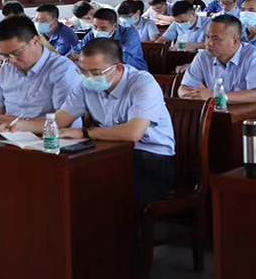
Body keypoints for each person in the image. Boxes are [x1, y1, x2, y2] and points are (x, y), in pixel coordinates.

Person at [50, 38, 175, 212]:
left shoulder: (143, 83)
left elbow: (133, 133)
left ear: (118, 68)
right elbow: (60, 120)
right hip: (109, 152)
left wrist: (84, 133)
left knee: (110, 197)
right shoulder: (86, 85)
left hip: (150, 158)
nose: (88, 78)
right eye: (83, 71)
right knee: (65, 185)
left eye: (95, 72)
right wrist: (19, 125)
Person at [179, 17, 256, 144]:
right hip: (222, 118)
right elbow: (183, 89)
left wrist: (213, 96)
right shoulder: (202, 57)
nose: (208, 43)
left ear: (235, 41)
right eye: (207, 37)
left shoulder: (255, 56)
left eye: (216, 39)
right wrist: (193, 95)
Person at [0, 16, 83, 128]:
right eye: (5, 56)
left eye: (17, 53)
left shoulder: (63, 69)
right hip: (13, 134)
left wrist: (20, 123)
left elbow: (63, 121)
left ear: (35, 41)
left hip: (53, 136)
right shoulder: (7, 68)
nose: (12, 60)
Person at [72, 7, 148, 71]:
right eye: (95, 27)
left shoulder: (129, 33)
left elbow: (125, 58)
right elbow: (78, 49)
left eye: (103, 28)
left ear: (115, 26)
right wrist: (73, 55)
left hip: (133, 71)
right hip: (103, 70)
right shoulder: (92, 33)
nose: (98, 30)